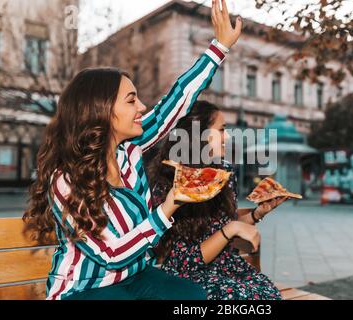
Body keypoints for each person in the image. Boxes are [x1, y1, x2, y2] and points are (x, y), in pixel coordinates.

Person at [22, 0, 242, 300]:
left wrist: (219, 48)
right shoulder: (65, 180)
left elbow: (174, 104)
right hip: (84, 288)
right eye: (131, 100)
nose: (141, 107)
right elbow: (111, 254)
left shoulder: (132, 149)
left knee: (193, 298)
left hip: (137, 275)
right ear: (101, 110)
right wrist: (169, 206)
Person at [149, 101, 283, 300]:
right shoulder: (170, 182)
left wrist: (258, 213)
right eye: (221, 130)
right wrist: (231, 230)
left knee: (267, 295)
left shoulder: (225, 171)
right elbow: (184, 262)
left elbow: (226, 224)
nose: (227, 137)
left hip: (229, 268)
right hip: (189, 277)